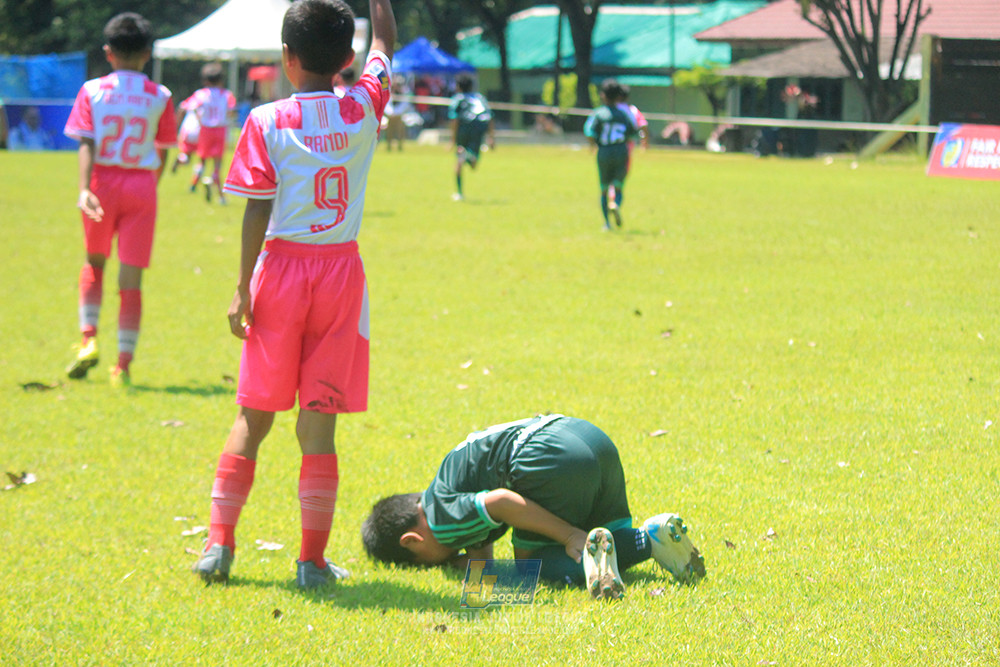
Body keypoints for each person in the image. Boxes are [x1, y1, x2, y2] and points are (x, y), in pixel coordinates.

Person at [192, 0, 396, 590]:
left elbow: (257, 208)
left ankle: (218, 545)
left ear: (286, 57)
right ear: (346, 59)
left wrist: (241, 287)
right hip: (339, 277)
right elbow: (385, 48)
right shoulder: (363, 104)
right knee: (319, 425)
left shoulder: (266, 120)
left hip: (279, 272)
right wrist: (380, 9)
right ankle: (310, 561)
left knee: (254, 417)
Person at [362, 414, 705, 600]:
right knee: (606, 538)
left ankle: (648, 540)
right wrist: (479, 567)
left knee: (530, 567)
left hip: (547, 459)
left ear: (412, 540)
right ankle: (655, 536)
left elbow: (501, 501)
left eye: (425, 564)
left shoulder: (440, 519)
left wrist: (568, 535)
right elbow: (481, 535)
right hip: (588, 438)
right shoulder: (446, 482)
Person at [63, 12, 177, 387]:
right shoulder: (160, 96)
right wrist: (150, 185)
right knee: (132, 279)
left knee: (94, 263)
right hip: (141, 184)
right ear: (148, 53)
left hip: (101, 181)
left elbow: (86, 141)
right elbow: (162, 150)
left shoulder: (93, 90)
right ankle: (123, 366)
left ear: (108, 52)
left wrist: (84, 187)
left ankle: (88, 340)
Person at [584, 79, 638, 231]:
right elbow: (633, 133)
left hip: (604, 152)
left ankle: (607, 223)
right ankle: (615, 204)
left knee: (604, 189)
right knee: (619, 187)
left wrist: (592, 144)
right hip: (621, 151)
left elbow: (588, 130)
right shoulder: (624, 115)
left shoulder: (599, 114)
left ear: (603, 95)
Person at [181, 62, 236, 203]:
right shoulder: (227, 94)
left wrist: (200, 120)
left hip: (205, 129)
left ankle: (194, 183)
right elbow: (231, 112)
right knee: (218, 162)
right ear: (221, 80)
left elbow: (188, 106)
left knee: (202, 160)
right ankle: (220, 194)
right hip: (220, 129)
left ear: (205, 80)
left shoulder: (201, 94)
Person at [447, 74, 494, 201]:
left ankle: (459, 193)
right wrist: (491, 137)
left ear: (458, 86)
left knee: (459, 158)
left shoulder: (458, 99)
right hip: (480, 127)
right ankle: (468, 155)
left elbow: (454, 119)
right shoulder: (480, 98)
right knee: (473, 164)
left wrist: (452, 140)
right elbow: (489, 117)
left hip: (465, 126)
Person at [382, 79, 411, 151]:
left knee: (400, 132)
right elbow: (386, 104)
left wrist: (397, 113)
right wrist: (391, 113)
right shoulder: (389, 94)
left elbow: (405, 105)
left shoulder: (404, 94)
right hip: (390, 116)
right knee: (389, 132)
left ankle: (400, 146)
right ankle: (388, 146)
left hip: (399, 116)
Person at [170, 105, 200, 173]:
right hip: (198, 130)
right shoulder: (204, 98)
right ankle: (197, 180)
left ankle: (180, 159)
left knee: (187, 155)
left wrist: (177, 125)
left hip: (187, 130)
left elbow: (181, 109)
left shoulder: (191, 101)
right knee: (201, 159)